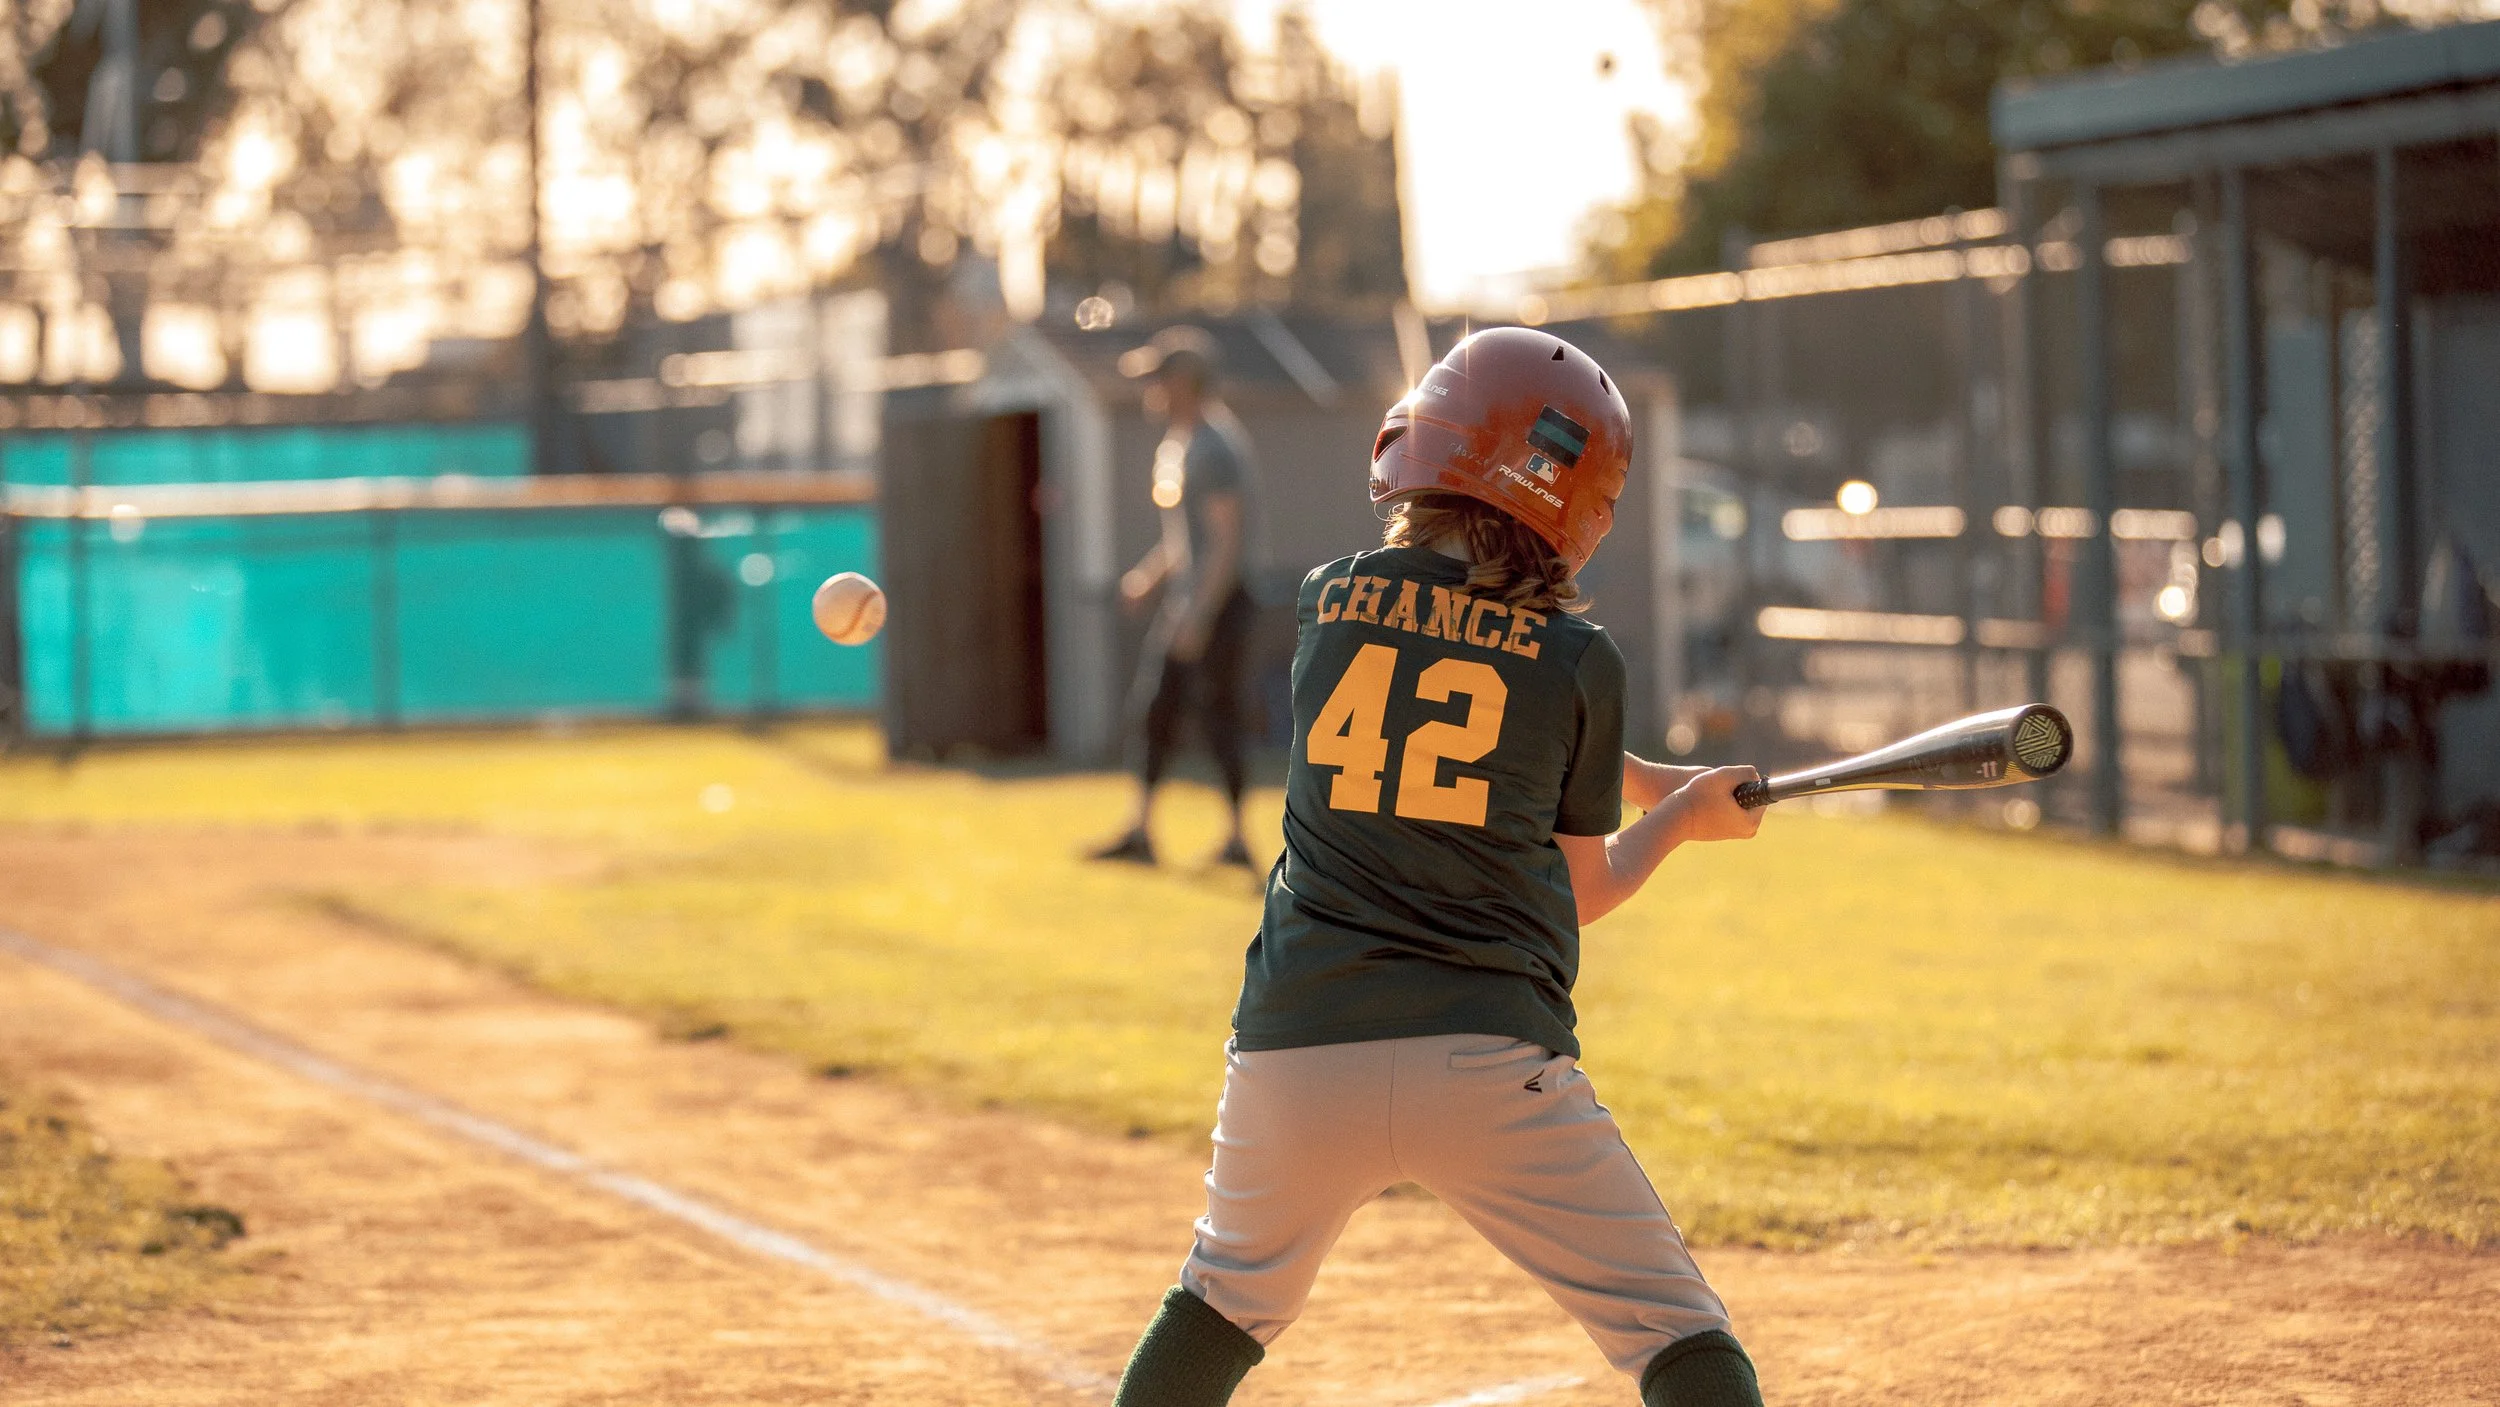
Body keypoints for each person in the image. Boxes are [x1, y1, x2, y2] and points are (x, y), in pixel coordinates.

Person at [1108, 328, 1768, 1407]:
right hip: (1486, 1058)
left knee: (1216, 1304)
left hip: (1295, 1050)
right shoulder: (1578, 659)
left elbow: (1451, 716)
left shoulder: (1327, 603)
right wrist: (1681, 822)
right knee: (1678, 1334)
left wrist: (1651, 780)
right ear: (1581, 505)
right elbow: (1581, 882)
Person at [1092, 325, 1267, 869]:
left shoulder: (1214, 447)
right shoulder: (1181, 443)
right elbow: (1185, 540)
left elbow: (1224, 542)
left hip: (1219, 603)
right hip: (1190, 602)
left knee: (1219, 718)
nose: (1151, 390)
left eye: (1158, 379)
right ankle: (1141, 832)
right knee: (1156, 711)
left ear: (1185, 382)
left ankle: (1238, 840)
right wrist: (1150, 578)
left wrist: (1199, 615)